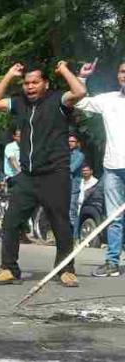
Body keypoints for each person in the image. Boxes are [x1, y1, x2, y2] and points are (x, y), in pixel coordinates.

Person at [0, 61, 86, 286]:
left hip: (55, 173)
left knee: (60, 224)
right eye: (26, 83)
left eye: (35, 82)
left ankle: (66, 269)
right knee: (11, 222)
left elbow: (80, 91)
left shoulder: (58, 101)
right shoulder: (20, 103)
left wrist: (64, 70)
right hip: (28, 175)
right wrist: (9, 75)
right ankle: (9, 269)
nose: (30, 87)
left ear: (45, 84)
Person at [74, 61, 125, 277]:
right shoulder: (108, 100)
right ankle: (112, 262)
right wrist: (82, 78)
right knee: (114, 217)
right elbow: (79, 102)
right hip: (113, 168)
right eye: (123, 71)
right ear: (118, 75)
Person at [68, 133, 85, 238]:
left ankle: (75, 237)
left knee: (72, 213)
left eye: (73, 141)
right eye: (69, 141)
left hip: (73, 189)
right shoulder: (64, 153)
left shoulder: (80, 155)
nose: (70, 143)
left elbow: (71, 168)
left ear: (77, 143)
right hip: (63, 188)